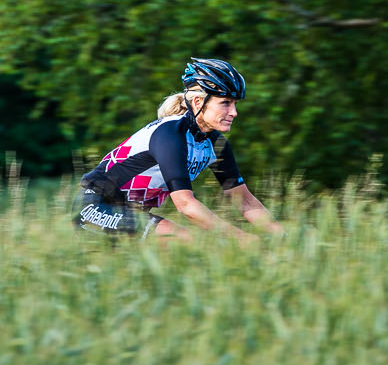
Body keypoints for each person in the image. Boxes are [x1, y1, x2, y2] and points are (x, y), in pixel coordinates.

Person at [74, 57, 282, 240]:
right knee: (184, 241)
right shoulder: (170, 134)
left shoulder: (215, 144)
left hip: (131, 213)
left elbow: (244, 202)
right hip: (94, 207)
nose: (234, 112)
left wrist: (282, 238)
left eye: (235, 103)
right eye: (225, 103)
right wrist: (240, 239)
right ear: (199, 102)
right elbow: (186, 206)